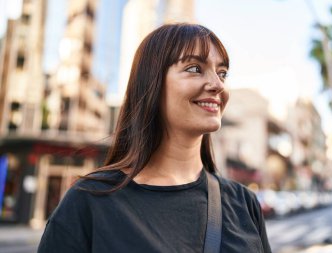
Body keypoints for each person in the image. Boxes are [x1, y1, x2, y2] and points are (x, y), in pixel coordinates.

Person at [37, 23, 272, 253]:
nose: (217, 84)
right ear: (152, 83)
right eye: (194, 68)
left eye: (222, 73)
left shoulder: (244, 204)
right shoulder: (89, 201)